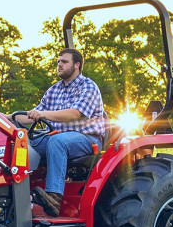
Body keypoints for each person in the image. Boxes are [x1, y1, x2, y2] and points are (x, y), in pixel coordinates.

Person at [17, 48, 106, 216]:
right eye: (58, 62)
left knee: (57, 141)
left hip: (87, 139)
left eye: (64, 62)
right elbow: (32, 115)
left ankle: (54, 197)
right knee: (24, 142)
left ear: (77, 65)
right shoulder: (54, 90)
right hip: (59, 139)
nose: (59, 64)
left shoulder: (88, 86)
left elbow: (75, 114)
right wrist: (3, 117)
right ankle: (19, 194)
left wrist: (42, 114)